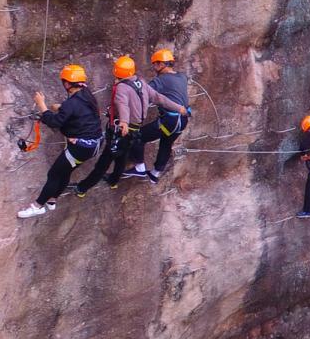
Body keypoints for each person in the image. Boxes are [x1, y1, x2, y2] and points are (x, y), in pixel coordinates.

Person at [75, 56, 187, 196]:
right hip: (134, 129)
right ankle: (114, 181)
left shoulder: (121, 87)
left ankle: (82, 188)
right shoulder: (141, 82)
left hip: (122, 129)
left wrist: (123, 122)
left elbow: (122, 105)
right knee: (121, 157)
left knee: (104, 162)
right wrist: (178, 107)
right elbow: (159, 98)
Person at [17, 65, 103, 218]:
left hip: (80, 148)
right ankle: (52, 199)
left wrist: (42, 105)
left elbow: (54, 122)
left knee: (54, 174)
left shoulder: (72, 103)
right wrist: (62, 108)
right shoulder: (87, 95)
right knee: (65, 171)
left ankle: (37, 206)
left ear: (67, 83)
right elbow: (79, 112)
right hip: (92, 144)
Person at [123, 49, 191, 184]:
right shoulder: (182, 76)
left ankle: (140, 168)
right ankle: (155, 174)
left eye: (155, 64)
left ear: (161, 64)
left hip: (170, 121)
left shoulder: (159, 81)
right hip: (183, 120)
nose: (154, 67)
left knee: (137, 136)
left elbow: (143, 95)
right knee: (166, 143)